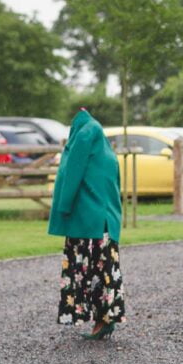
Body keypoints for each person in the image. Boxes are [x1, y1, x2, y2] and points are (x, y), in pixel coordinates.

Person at [48, 109, 124, 340]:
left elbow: (71, 175)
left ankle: (102, 320)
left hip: (86, 223)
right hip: (105, 223)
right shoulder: (103, 147)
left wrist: (63, 207)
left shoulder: (83, 137)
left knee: (86, 270)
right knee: (104, 271)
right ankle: (104, 319)